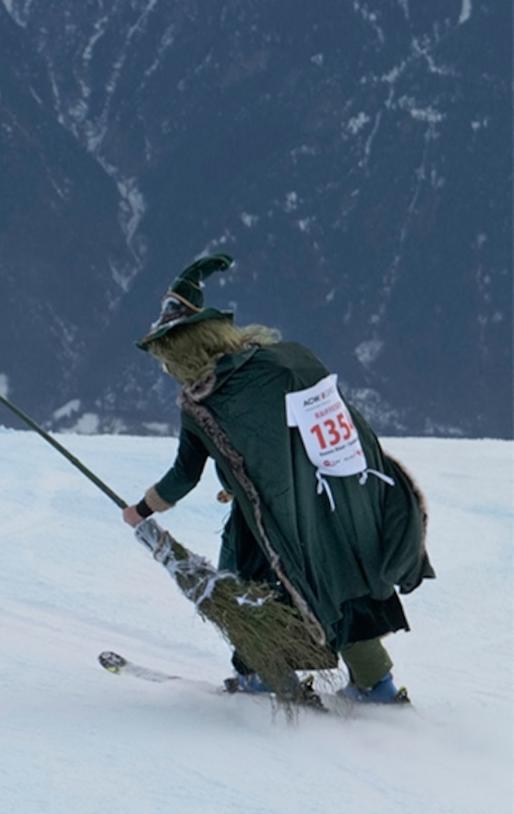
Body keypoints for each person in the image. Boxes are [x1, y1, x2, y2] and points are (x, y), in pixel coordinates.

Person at [120, 253, 432, 702]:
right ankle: (377, 687)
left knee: (248, 589)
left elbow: (184, 476)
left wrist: (142, 510)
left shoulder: (203, 404)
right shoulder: (286, 361)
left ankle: (265, 675)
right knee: (342, 579)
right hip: (337, 503)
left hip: (267, 525)